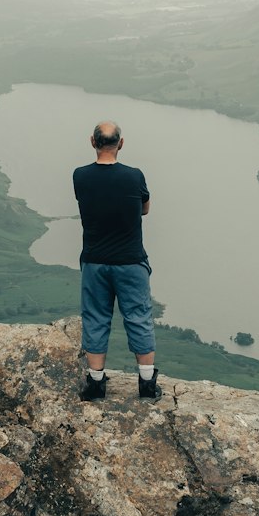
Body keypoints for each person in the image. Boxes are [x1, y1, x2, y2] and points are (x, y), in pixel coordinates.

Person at [73, 120, 161, 403]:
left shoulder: (80, 176)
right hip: (130, 261)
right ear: (120, 143)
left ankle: (97, 384)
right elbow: (144, 208)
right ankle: (147, 385)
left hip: (95, 262)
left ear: (92, 142)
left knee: (96, 318)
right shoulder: (134, 176)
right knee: (139, 317)